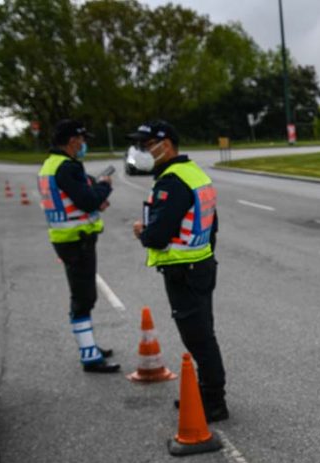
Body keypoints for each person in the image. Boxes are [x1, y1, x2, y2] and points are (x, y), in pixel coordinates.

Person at [128, 120, 228, 422]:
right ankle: (205, 392)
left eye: (147, 146)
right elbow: (213, 225)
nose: (142, 151)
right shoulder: (194, 173)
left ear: (166, 145)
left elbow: (158, 235)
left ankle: (213, 402)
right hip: (201, 265)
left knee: (198, 338)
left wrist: (142, 232)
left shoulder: (172, 181)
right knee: (202, 335)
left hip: (184, 271)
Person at [38, 119, 119, 373]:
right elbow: (86, 200)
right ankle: (89, 356)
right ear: (73, 140)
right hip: (77, 241)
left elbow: (80, 197)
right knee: (84, 297)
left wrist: (96, 196)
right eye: (82, 140)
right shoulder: (66, 168)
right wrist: (104, 187)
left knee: (83, 295)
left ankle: (90, 347)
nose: (84, 145)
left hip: (68, 240)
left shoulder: (52, 165)